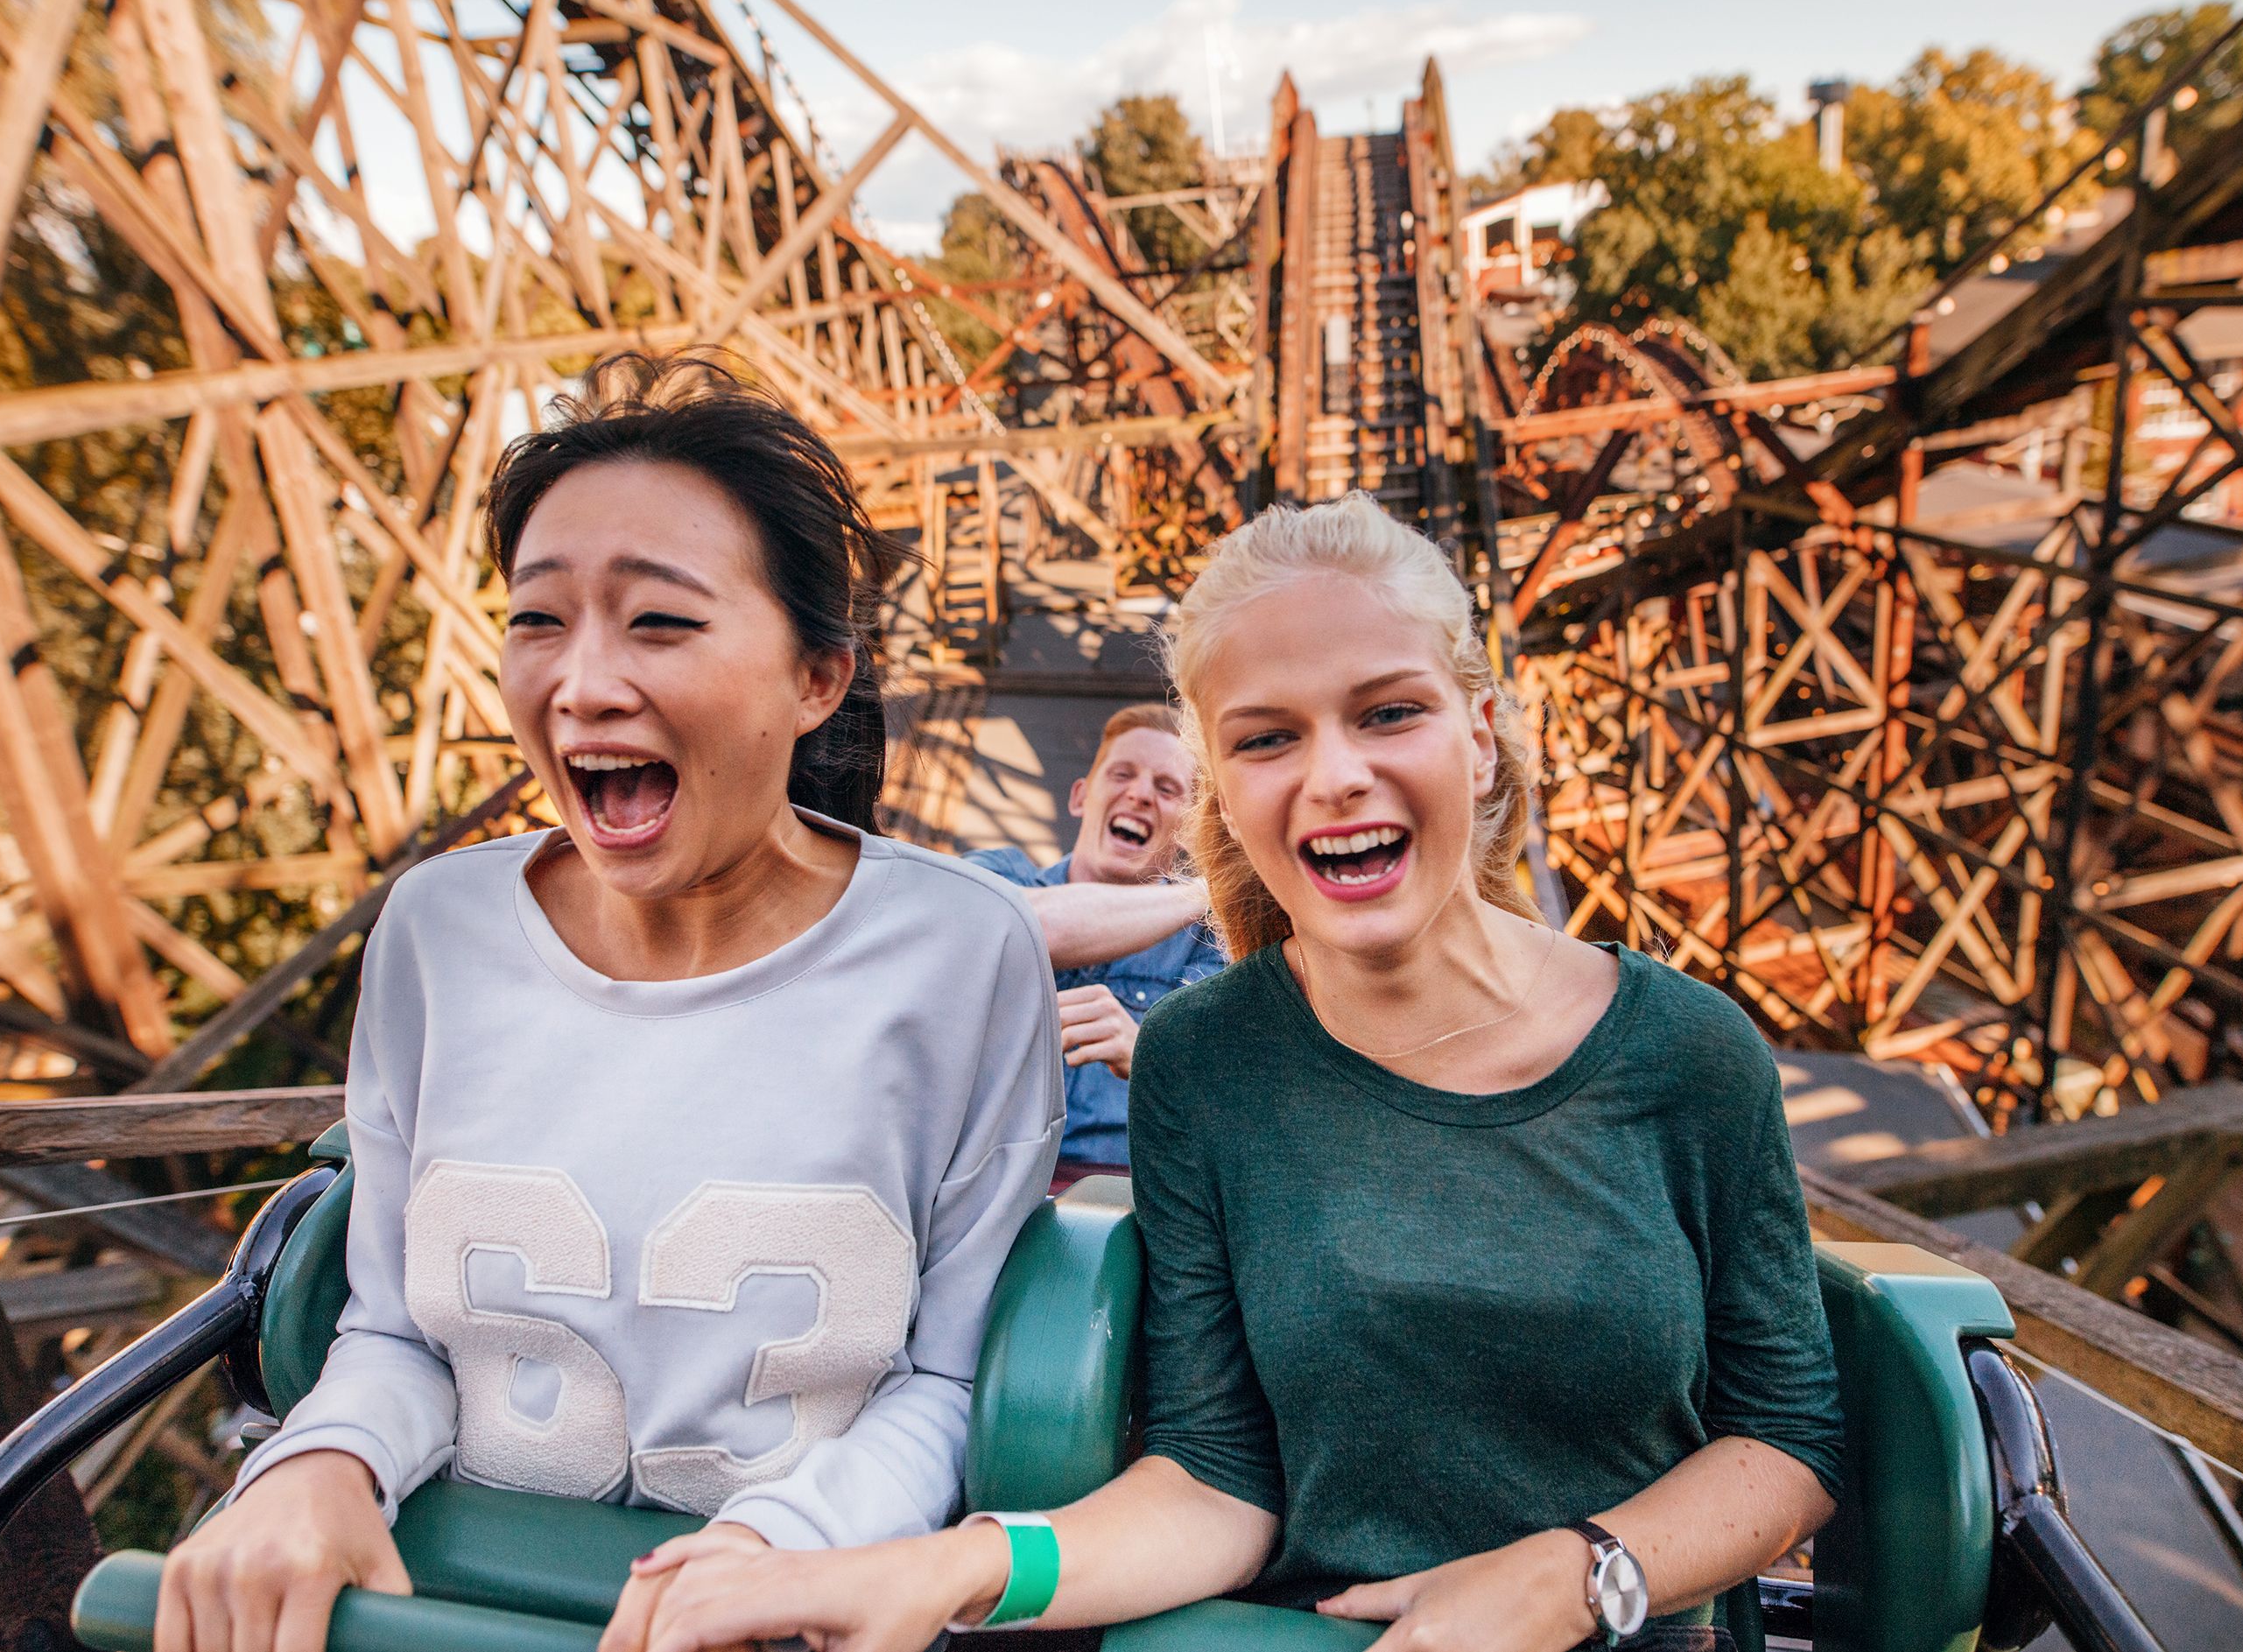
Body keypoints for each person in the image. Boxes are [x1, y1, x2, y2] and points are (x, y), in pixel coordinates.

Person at [627, 492, 1843, 1652]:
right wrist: (938, 1568)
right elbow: (1220, 1482)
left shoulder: (1686, 1052)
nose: (1333, 776)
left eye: (1387, 713)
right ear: (1228, 789)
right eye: (1268, 739)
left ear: (1478, 739)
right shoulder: (1208, 1065)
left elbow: (1789, 1439)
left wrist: (1571, 1573)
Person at [153, 354, 1063, 1652]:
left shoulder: (963, 955)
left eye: (660, 623)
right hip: (461, 1610)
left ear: (817, 678)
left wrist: (777, 1550)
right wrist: (322, 1460)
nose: (581, 685)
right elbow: (399, 1328)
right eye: (538, 621)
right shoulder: (434, 932)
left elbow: (957, 1378)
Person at [964, 704, 1222, 1167]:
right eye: (1122, 774)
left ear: (1187, 829)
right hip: (982, 1186)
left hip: (1122, 1199)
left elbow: (1224, 1097)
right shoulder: (998, 874)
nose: (1140, 794)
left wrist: (1149, 1059)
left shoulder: (1206, 944)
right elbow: (1020, 926)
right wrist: (1212, 888)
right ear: (1081, 796)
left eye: (1167, 788)